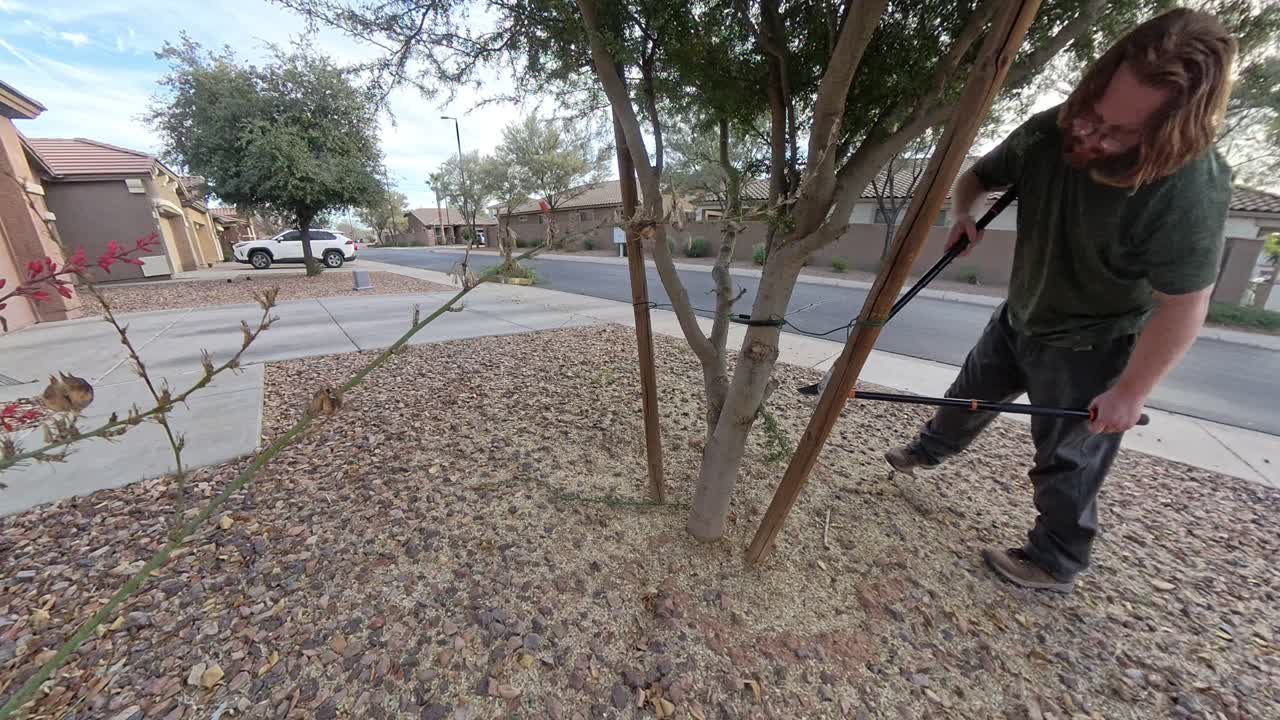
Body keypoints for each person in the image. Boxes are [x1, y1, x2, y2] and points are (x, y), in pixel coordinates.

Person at [884, 8, 1237, 593]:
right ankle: (930, 450)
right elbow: (976, 176)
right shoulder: (1055, 129)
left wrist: (1130, 392)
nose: (1090, 137)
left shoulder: (1188, 188)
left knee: (1068, 460)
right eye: (1094, 114)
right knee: (969, 395)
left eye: (1120, 133)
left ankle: (1055, 559)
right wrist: (962, 213)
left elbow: (1184, 305)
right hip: (1022, 312)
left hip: (1094, 341)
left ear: (1171, 130)